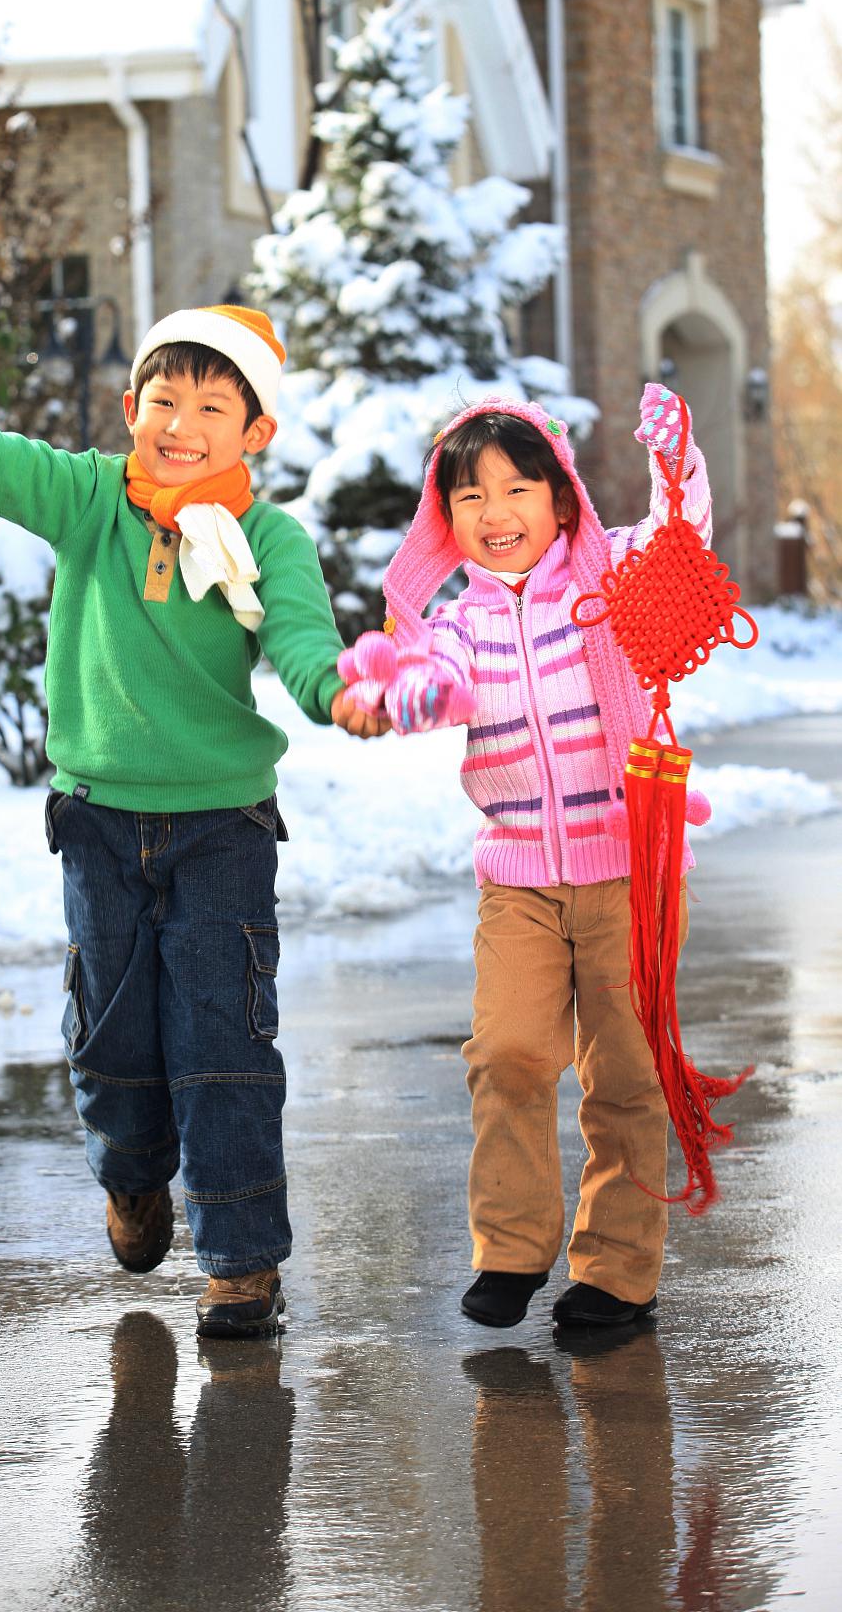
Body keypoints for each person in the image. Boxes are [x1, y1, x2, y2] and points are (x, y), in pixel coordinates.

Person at [0, 304, 379, 1339]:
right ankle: (132, 1173)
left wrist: (337, 692)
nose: (180, 423)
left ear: (256, 433)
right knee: (113, 1037)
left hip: (221, 828)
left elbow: (298, 635)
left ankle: (242, 1261)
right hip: (100, 823)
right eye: (163, 399)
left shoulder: (270, 538)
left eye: (210, 404)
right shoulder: (90, 500)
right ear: (129, 409)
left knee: (224, 1039)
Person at [337, 386, 712, 1331]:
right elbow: (440, 680)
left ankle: (615, 1273)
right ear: (444, 521)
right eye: (469, 498)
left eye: (516, 488)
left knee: (625, 1072)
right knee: (505, 1051)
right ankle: (510, 1251)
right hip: (518, 879)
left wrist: (675, 460)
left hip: (629, 870)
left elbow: (682, 535)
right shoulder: (460, 623)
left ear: (558, 496)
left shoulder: (613, 575)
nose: (495, 513)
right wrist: (415, 694)